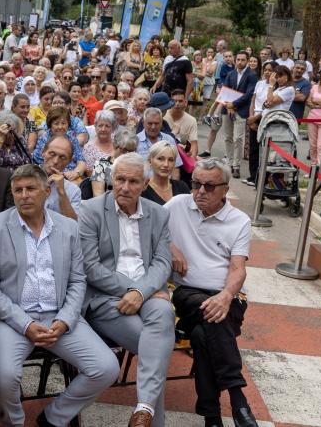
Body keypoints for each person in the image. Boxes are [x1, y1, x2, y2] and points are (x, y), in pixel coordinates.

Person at [0, 164, 119, 427]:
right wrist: (26, 324)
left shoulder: (68, 228)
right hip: (15, 320)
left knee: (106, 368)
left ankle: (54, 417)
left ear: (47, 192)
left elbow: (78, 279)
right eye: (18, 190)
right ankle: (15, 422)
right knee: (4, 376)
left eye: (31, 189)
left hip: (59, 317)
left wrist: (66, 319)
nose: (23, 195)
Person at [78, 153, 175, 427]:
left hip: (148, 294)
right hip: (106, 298)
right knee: (156, 347)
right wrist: (135, 290)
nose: (125, 187)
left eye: (133, 181)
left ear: (145, 184)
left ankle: (143, 410)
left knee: (163, 313)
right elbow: (91, 267)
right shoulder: (91, 210)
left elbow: (162, 260)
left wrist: (142, 292)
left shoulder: (158, 213)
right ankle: (151, 418)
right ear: (111, 179)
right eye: (119, 179)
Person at [164, 159, 258, 427]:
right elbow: (150, 228)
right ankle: (238, 399)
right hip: (186, 292)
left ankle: (212, 416)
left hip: (226, 297)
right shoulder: (177, 205)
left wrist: (226, 296)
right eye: (196, 184)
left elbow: (238, 269)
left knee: (202, 335)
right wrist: (171, 247)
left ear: (225, 189)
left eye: (209, 186)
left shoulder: (239, 221)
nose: (200, 191)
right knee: (210, 316)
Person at [219, 52, 258, 178]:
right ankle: (229, 164)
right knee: (227, 138)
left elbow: (249, 94)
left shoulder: (252, 75)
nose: (240, 62)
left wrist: (234, 104)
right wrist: (228, 106)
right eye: (238, 59)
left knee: (238, 139)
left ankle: (236, 166)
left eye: (243, 60)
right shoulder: (231, 74)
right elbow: (225, 90)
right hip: (227, 110)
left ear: (247, 61)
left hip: (241, 110)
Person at [33, 107, 87, 180]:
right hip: (50, 176)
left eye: (63, 123)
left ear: (68, 125)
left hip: (71, 176)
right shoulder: (44, 139)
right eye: (56, 123)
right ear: (50, 125)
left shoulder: (72, 139)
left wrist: (76, 173)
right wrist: (62, 174)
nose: (60, 127)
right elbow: (41, 164)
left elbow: (81, 161)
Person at [40, 135, 83, 219]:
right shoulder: (26, 179)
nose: (56, 161)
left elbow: (73, 224)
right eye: (52, 154)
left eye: (62, 157)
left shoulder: (73, 191)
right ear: (43, 153)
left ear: (69, 162)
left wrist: (61, 192)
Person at [91, 128, 139, 198]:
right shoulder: (101, 166)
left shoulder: (137, 167)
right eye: (124, 150)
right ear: (114, 146)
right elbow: (98, 196)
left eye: (131, 151)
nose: (127, 154)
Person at [164, 89, 199, 157]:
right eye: (174, 101)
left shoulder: (192, 120)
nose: (177, 104)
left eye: (180, 101)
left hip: (183, 155)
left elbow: (194, 144)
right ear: (170, 102)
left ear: (185, 102)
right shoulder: (162, 116)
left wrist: (192, 159)